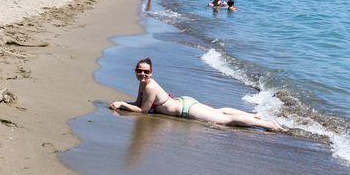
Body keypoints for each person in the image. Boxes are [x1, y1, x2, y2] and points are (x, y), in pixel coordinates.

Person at [109, 58, 284, 131]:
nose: (142, 74)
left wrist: (122, 105)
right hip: (184, 102)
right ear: (135, 71)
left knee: (225, 120)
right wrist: (123, 103)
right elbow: (140, 104)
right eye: (139, 71)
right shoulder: (143, 84)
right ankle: (254, 116)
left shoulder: (149, 86)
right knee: (220, 111)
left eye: (146, 72)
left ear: (151, 72)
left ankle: (269, 125)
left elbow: (144, 111)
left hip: (186, 110)